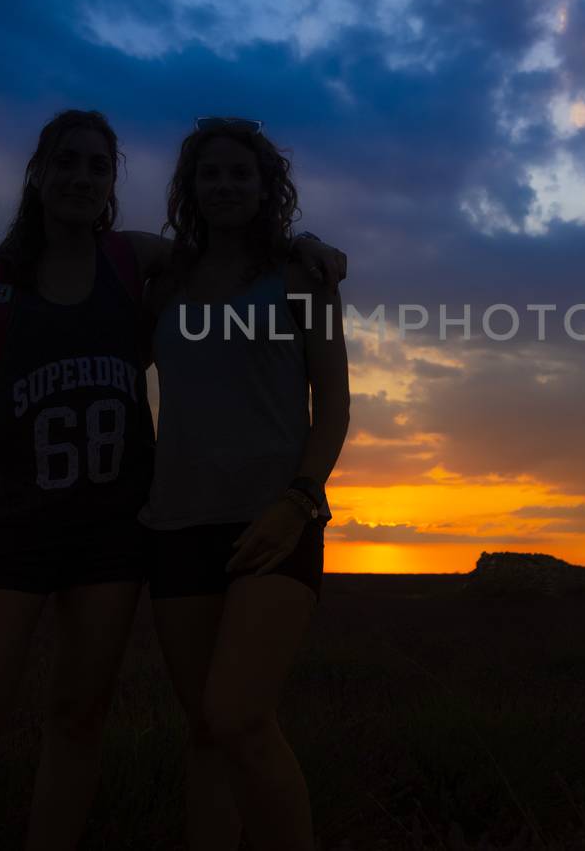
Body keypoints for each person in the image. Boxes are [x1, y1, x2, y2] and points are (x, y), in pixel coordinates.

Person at [0, 110, 345, 851]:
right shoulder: (35, 275)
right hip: (59, 522)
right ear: (38, 171)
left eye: (98, 166)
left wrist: (311, 244)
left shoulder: (155, 264)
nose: (80, 177)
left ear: (113, 182)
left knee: (151, 716)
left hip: (139, 527)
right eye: (66, 162)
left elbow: (318, 376)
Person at [138, 116, 350, 851]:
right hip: (176, 523)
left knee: (239, 716)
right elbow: (100, 246)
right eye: (210, 174)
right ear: (189, 188)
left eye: (240, 174)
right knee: (203, 731)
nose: (225, 186)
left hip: (275, 521)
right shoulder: (163, 279)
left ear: (267, 188)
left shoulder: (300, 276)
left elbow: (335, 405)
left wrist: (298, 500)